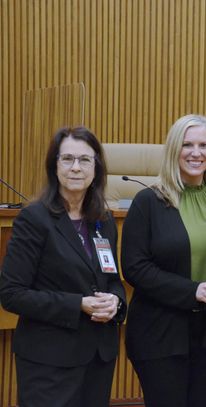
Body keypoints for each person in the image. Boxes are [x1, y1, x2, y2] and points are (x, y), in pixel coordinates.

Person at [121, 114, 206, 407]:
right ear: (174, 150)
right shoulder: (148, 202)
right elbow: (135, 268)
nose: (196, 153)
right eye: (187, 144)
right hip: (160, 334)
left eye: (204, 145)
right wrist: (193, 291)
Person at [0, 126, 126, 407]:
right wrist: (77, 304)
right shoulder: (34, 219)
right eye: (67, 159)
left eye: (85, 160)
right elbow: (11, 293)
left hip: (97, 358)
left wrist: (116, 302)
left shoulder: (103, 220)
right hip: (49, 362)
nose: (76, 168)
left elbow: (111, 279)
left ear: (97, 168)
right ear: (54, 165)